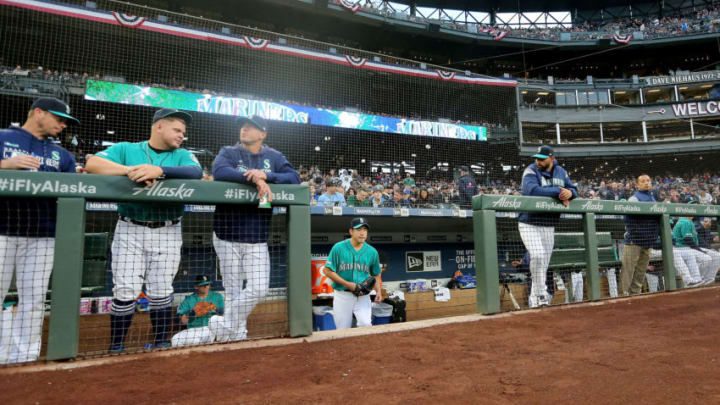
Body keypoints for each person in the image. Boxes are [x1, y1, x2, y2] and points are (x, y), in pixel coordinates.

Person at [85, 108, 203, 352]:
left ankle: (161, 344)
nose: (182, 135)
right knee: (125, 289)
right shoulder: (127, 149)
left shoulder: (182, 155)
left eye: (184, 131)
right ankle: (116, 347)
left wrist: (159, 171)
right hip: (130, 227)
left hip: (168, 228)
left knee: (161, 290)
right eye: (177, 129)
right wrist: (131, 171)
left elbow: (196, 172)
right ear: (159, 126)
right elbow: (92, 163)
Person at [0, 97, 79, 363]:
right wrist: (4, 167)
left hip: (42, 234)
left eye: (66, 121)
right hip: (1, 230)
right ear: (38, 112)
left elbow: (74, 192)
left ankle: (24, 358)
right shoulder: (3, 138)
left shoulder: (63, 155)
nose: (63, 125)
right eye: (59, 118)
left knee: (34, 300)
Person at [210, 115, 300, 342]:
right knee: (232, 289)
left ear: (262, 134)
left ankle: (223, 324)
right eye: (243, 126)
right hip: (226, 232)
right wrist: (254, 178)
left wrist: (267, 175)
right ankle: (237, 335)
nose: (244, 129)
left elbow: (294, 178)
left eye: (251, 127)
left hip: (257, 234)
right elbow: (220, 172)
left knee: (259, 288)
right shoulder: (229, 152)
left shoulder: (274, 156)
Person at [518, 145, 577, 307]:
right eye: (536, 158)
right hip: (529, 222)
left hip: (549, 224)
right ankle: (540, 294)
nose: (538, 161)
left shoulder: (561, 171)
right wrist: (559, 192)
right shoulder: (530, 170)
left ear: (551, 158)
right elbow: (532, 190)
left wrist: (570, 193)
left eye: (542, 158)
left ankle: (535, 300)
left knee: (543, 263)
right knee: (537, 255)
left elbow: (573, 189)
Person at [323, 218, 383, 329]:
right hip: (343, 295)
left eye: (365, 229)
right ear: (351, 231)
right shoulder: (338, 248)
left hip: (363, 296)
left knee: (366, 325)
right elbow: (327, 270)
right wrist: (348, 284)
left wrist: (378, 290)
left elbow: (376, 274)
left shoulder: (372, 252)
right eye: (358, 229)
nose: (362, 233)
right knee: (342, 329)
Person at [619, 174, 660, 295]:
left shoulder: (653, 198)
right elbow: (627, 219)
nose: (646, 183)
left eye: (648, 180)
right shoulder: (634, 198)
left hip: (648, 242)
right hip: (634, 242)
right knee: (628, 271)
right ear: (638, 185)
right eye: (643, 181)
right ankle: (622, 297)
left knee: (640, 272)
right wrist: (638, 234)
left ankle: (635, 295)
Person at [171, 275, 224, 347]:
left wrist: (212, 307)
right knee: (175, 339)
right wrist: (193, 313)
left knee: (197, 342)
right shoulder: (189, 299)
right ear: (196, 286)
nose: (206, 287)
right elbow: (179, 320)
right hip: (194, 330)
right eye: (203, 285)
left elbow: (223, 313)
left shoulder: (217, 296)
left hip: (211, 329)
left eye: (207, 284)